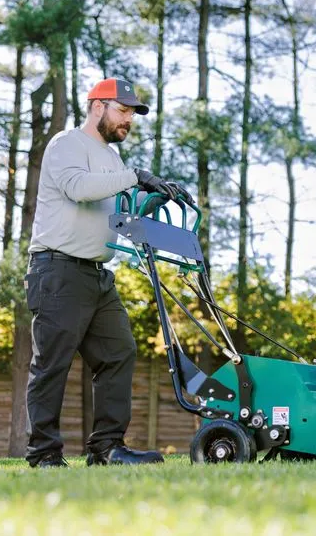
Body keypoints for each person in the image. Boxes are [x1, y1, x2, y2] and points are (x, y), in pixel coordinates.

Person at [24, 78, 191, 468]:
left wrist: (157, 196)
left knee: (119, 353)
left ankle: (107, 448)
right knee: (53, 363)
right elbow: (79, 188)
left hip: (98, 275)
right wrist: (137, 176)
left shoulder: (113, 161)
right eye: (123, 110)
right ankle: (43, 453)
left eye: (132, 113)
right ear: (97, 106)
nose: (128, 119)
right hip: (58, 269)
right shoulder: (67, 144)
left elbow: (121, 217)